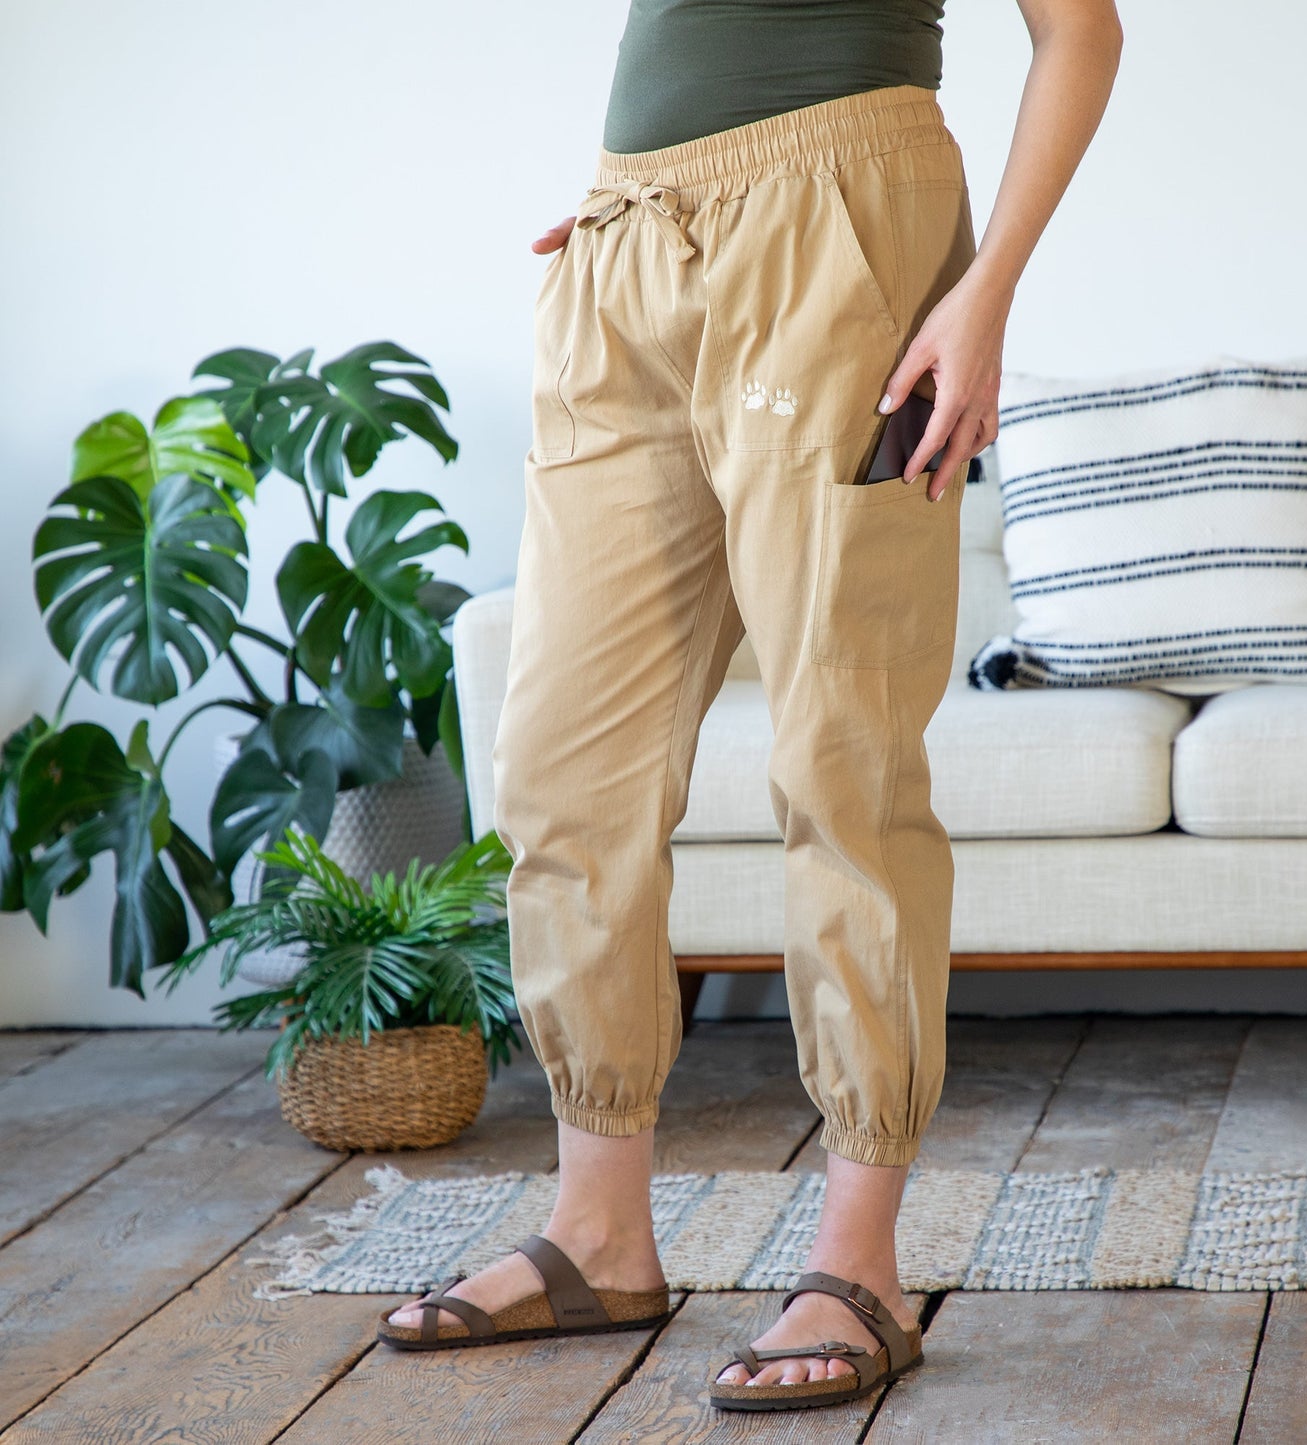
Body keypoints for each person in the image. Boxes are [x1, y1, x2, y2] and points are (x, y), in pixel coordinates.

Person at [378, 0, 1124, 1413]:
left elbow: (1079, 32)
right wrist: (652, 205)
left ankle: (861, 1261)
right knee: (559, 773)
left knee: (840, 765)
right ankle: (597, 1232)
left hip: (840, 219)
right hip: (625, 233)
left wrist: (987, 291)